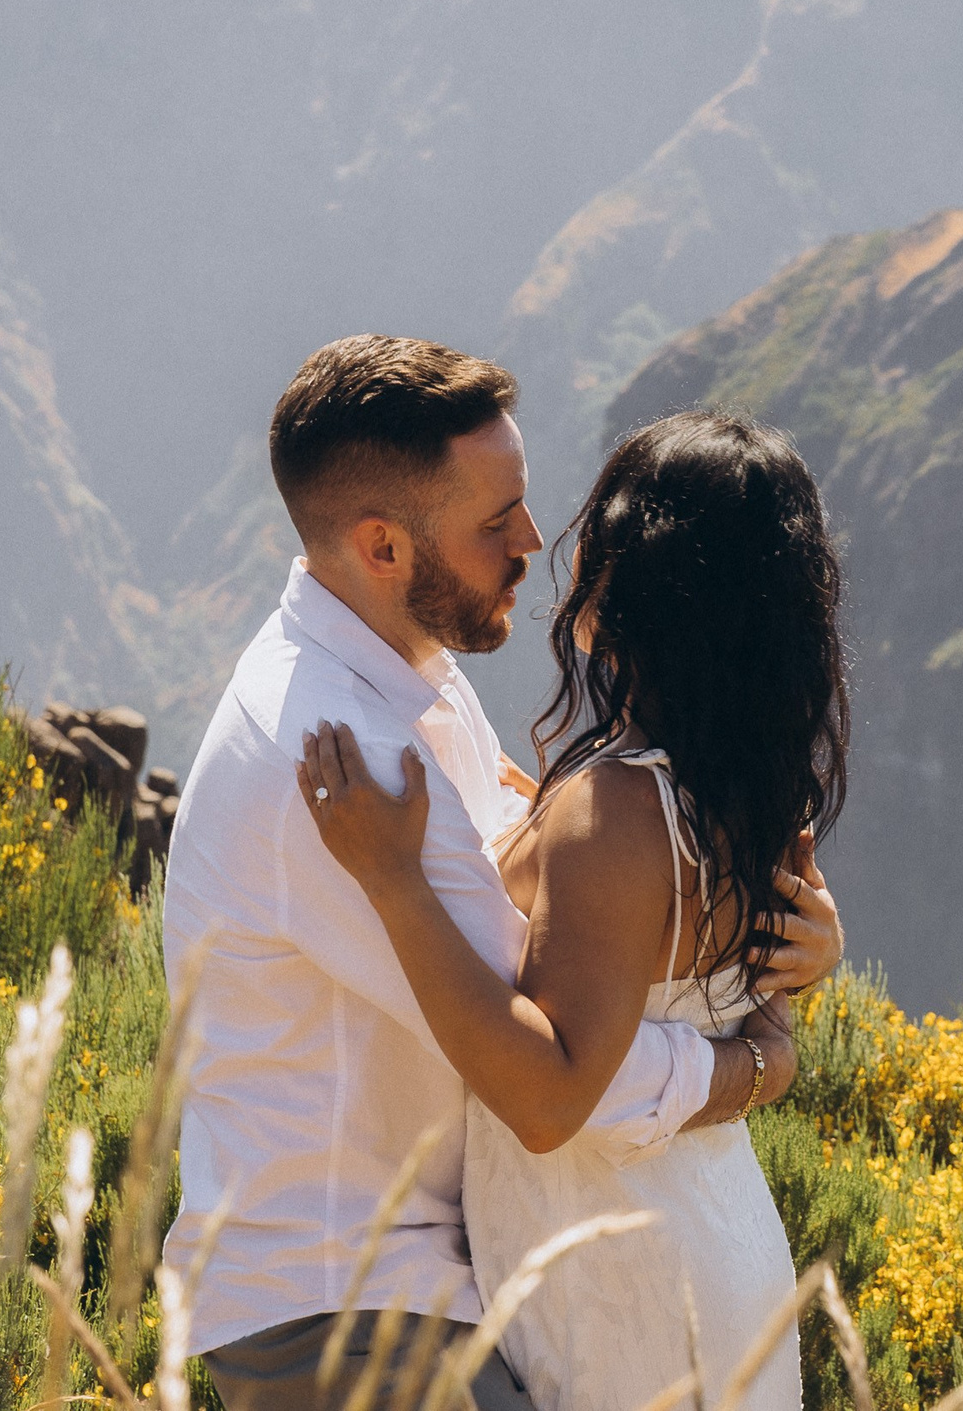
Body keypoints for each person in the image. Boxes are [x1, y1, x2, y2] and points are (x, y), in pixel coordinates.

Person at [163, 339, 845, 1411]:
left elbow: (586, 927)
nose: (536, 543)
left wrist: (771, 964)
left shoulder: (418, 691)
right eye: (497, 522)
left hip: (474, 1285)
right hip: (349, 1308)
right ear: (383, 546)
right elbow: (559, 1077)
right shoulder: (341, 756)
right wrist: (756, 1058)